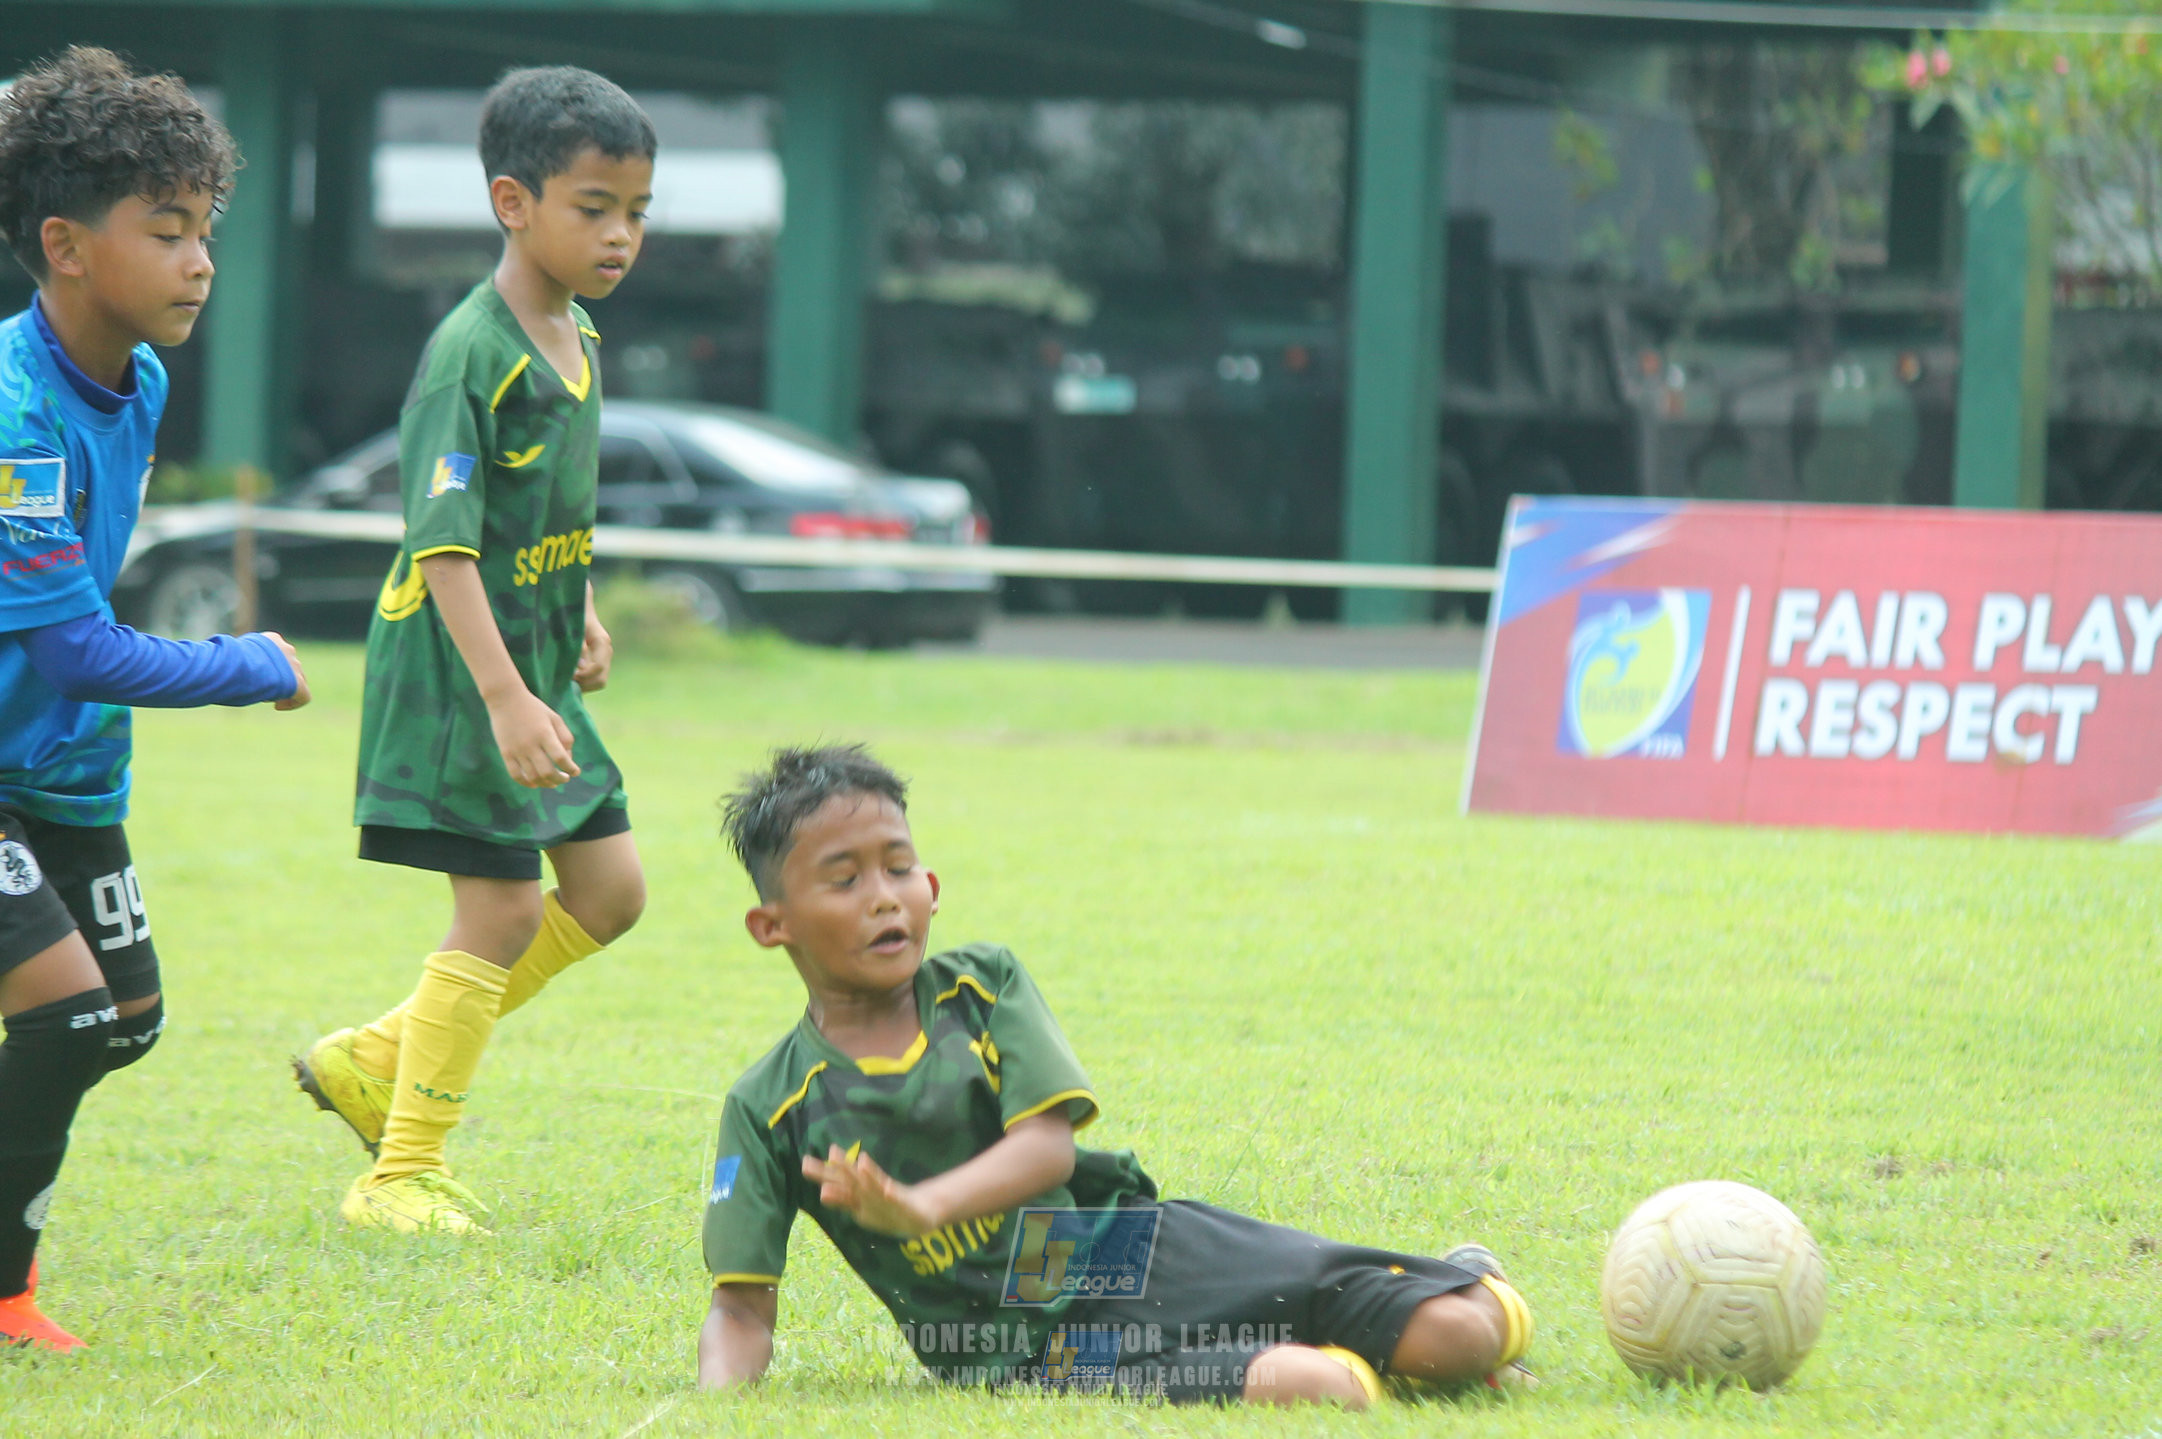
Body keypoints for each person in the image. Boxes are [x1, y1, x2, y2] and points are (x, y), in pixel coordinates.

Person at [698, 745, 1535, 1406]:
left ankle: (1462, 1281)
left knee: (1459, 1334)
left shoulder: (980, 987)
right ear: (772, 925)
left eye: (898, 866)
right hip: (1019, 1355)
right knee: (1325, 1392)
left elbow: (1048, 1149)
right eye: (845, 879)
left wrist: (921, 1207)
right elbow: (741, 1309)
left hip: (1110, 1247)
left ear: (933, 885)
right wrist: (713, 1409)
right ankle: (1347, 1357)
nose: (885, 897)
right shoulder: (769, 1106)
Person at [292, 67, 652, 1237]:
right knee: (497, 910)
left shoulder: (578, 333)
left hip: (534, 666)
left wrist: (581, 609)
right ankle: (398, 1172)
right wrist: (504, 697)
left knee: (609, 892)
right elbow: (443, 546)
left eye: (637, 210)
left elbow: (547, 510)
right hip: (462, 678)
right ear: (513, 201)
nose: (620, 234)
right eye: (593, 206)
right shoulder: (469, 352)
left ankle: (381, 1052)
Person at [0, 48, 311, 1352]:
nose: (201, 263)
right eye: (167, 231)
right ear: (64, 244)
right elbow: (76, 645)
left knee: (123, 1020)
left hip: (57, 769)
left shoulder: (143, 379)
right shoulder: (12, 414)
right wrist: (248, 662)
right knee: (65, 1010)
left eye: (206, 232)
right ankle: (7, 1289)